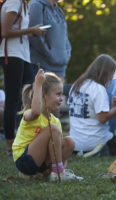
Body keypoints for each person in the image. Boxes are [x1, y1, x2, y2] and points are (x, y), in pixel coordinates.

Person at [12, 70, 82, 181]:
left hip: (42, 163)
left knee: (69, 142)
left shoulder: (55, 121)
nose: (61, 99)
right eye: (58, 94)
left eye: (61, 94)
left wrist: (62, 167)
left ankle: (54, 172)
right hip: (25, 161)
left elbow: (57, 148)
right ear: (43, 96)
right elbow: (36, 112)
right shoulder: (30, 114)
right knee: (53, 129)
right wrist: (38, 84)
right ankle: (53, 172)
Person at [0, 0, 46, 155]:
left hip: (23, 55)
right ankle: (9, 144)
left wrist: (33, 31)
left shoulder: (24, 5)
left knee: (27, 97)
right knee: (13, 99)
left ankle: (24, 138)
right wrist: (30, 30)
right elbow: (5, 32)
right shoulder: (14, 2)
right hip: (11, 55)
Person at [68, 54, 116, 157]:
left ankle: (83, 151)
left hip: (76, 141)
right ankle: (97, 151)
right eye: (112, 74)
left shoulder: (77, 85)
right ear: (105, 73)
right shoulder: (98, 89)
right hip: (95, 139)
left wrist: (110, 108)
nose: (111, 78)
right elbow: (102, 118)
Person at [29, 0, 71, 82]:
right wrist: (50, 54)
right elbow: (35, 37)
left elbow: (65, 38)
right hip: (42, 66)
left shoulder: (59, 11)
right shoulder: (36, 5)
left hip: (61, 68)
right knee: (41, 94)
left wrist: (66, 55)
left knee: (59, 94)